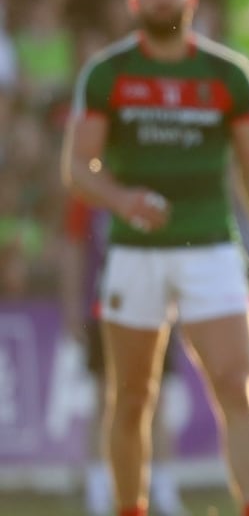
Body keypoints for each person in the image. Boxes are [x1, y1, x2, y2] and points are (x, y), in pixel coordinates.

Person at [60, 0, 249, 516]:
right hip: (134, 252)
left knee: (236, 383)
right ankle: (129, 507)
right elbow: (76, 168)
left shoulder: (228, 75)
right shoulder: (108, 74)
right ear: (133, 1)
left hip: (212, 249)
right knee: (131, 398)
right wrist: (122, 198)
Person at [60, 197, 187, 516]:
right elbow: (75, 248)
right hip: (103, 309)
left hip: (155, 307)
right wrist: (73, 307)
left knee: (155, 399)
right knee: (105, 398)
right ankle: (99, 489)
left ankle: (163, 489)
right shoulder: (88, 197)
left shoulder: (153, 183)